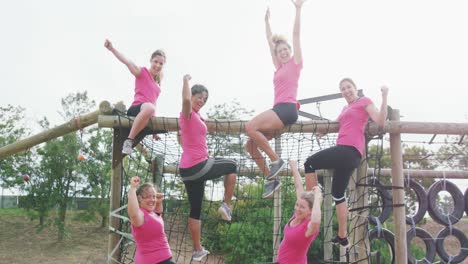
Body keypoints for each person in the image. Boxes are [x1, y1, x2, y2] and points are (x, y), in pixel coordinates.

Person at [304, 78, 389, 248]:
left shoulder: (364, 101)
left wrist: (385, 96)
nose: (346, 90)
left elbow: (380, 120)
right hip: (345, 153)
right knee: (337, 194)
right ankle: (342, 235)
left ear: (355, 88)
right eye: (342, 89)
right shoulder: (345, 108)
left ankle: (311, 205)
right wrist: (323, 132)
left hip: (349, 150)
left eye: (348, 87)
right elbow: (337, 124)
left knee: (310, 163)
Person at [245, 0, 306, 199]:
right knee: (250, 145)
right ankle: (272, 180)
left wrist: (298, 9)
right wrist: (267, 23)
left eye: (286, 50)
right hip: (279, 111)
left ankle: (275, 160)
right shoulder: (279, 67)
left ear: (290, 51)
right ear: (277, 55)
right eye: (280, 52)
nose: (283, 52)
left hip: (286, 109)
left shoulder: (295, 64)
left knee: (250, 127)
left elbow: (296, 35)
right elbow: (269, 42)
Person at [178, 74, 237, 262]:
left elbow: (190, 132)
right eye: (199, 97)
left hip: (188, 171)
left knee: (196, 209)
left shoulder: (196, 117)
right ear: (192, 95)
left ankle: (197, 249)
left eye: (204, 99)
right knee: (232, 165)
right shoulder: (186, 113)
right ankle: (226, 205)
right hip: (198, 165)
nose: (201, 100)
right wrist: (185, 80)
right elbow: (186, 100)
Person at [105, 39, 166, 155]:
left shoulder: (157, 86)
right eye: (155, 61)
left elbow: (154, 104)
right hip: (136, 110)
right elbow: (127, 61)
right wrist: (112, 49)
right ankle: (129, 141)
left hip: (147, 113)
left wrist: (154, 130)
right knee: (149, 108)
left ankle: (133, 138)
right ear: (151, 61)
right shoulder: (142, 72)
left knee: (151, 109)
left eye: (161, 63)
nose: (157, 65)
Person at [277, 160, 322, 264]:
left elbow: (316, 221)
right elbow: (298, 187)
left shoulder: (308, 227)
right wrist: (294, 167)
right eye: (297, 204)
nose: (297, 208)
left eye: (302, 207)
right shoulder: (296, 217)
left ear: (310, 211)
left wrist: (317, 198)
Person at [127, 176, 175, 264]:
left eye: (154, 196)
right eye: (148, 197)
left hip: (163, 260)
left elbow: (158, 213)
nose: (152, 200)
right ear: (139, 198)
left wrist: (159, 201)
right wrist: (133, 188)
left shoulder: (152, 212)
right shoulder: (140, 215)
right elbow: (132, 213)